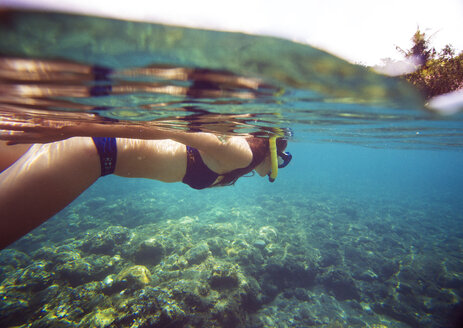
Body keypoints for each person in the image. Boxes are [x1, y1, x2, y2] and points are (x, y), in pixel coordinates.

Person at [0, 118, 291, 249]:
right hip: (90, 152)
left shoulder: (240, 164)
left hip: (90, 150)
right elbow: (164, 128)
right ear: (273, 150)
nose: (279, 168)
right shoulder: (240, 152)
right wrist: (68, 128)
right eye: (285, 158)